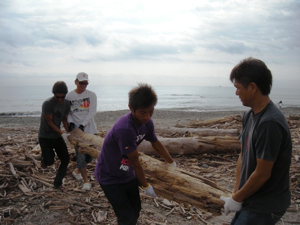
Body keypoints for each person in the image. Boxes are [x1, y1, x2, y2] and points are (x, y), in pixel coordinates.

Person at [220, 57, 292, 225]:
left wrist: (237, 198)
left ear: (252, 87)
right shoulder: (250, 116)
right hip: (249, 198)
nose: (236, 93)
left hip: (265, 205)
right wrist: (236, 194)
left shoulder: (270, 123)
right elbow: (243, 155)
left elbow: (262, 173)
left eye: (238, 88)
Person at [94, 83, 176, 225]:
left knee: (136, 209)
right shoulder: (125, 129)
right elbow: (135, 161)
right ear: (131, 108)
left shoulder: (147, 123)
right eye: (143, 112)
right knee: (126, 217)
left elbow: (155, 143)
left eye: (150, 111)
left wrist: (170, 161)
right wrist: (145, 185)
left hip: (127, 173)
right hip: (109, 176)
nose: (147, 116)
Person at [66, 72, 97, 191]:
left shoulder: (92, 95)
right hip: (76, 133)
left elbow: (92, 112)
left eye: (86, 83)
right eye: (81, 83)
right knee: (80, 157)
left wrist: (83, 125)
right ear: (75, 82)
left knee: (89, 157)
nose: (83, 85)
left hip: (89, 130)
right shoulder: (70, 96)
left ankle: (76, 170)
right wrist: (72, 123)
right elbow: (68, 113)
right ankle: (86, 181)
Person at [38, 81, 70, 191]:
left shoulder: (66, 103)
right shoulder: (48, 104)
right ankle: (43, 160)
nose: (60, 100)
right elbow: (50, 122)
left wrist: (68, 132)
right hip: (45, 136)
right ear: (54, 94)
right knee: (49, 161)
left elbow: (64, 119)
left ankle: (58, 183)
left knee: (66, 159)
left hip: (56, 136)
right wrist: (62, 133)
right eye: (57, 97)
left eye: (62, 97)